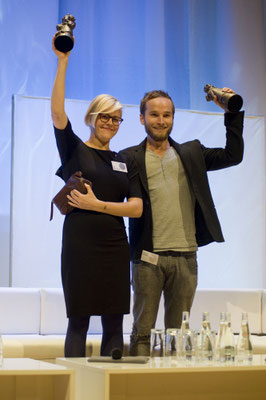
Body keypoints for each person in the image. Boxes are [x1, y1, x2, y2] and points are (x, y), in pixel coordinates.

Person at [120, 89, 244, 356]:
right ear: (142, 118)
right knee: (142, 333)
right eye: (154, 114)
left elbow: (233, 156)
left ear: (173, 118)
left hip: (186, 257)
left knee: (177, 338)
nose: (161, 120)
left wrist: (231, 115)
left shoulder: (192, 152)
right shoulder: (128, 157)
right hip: (146, 258)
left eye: (166, 115)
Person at [51, 36, 143, 357]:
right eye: (104, 116)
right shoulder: (75, 149)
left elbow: (136, 208)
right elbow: (58, 112)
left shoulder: (123, 160)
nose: (110, 123)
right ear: (92, 116)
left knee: (114, 323)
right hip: (80, 248)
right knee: (78, 322)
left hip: (116, 248)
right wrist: (63, 61)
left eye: (116, 118)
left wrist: (95, 205)